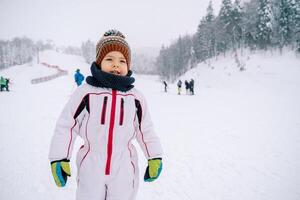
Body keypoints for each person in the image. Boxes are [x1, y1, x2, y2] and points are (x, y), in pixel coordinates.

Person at [49, 29, 163, 200]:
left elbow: (145, 129)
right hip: (91, 165)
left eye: (122, 61)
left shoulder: (136, 98)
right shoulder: (86, 93)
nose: (116, 65)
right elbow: (67, 125)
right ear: (99, 62)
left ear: (128, 65)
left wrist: (154, 156)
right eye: (109, 59)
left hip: (124, 165)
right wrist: (59, 157)